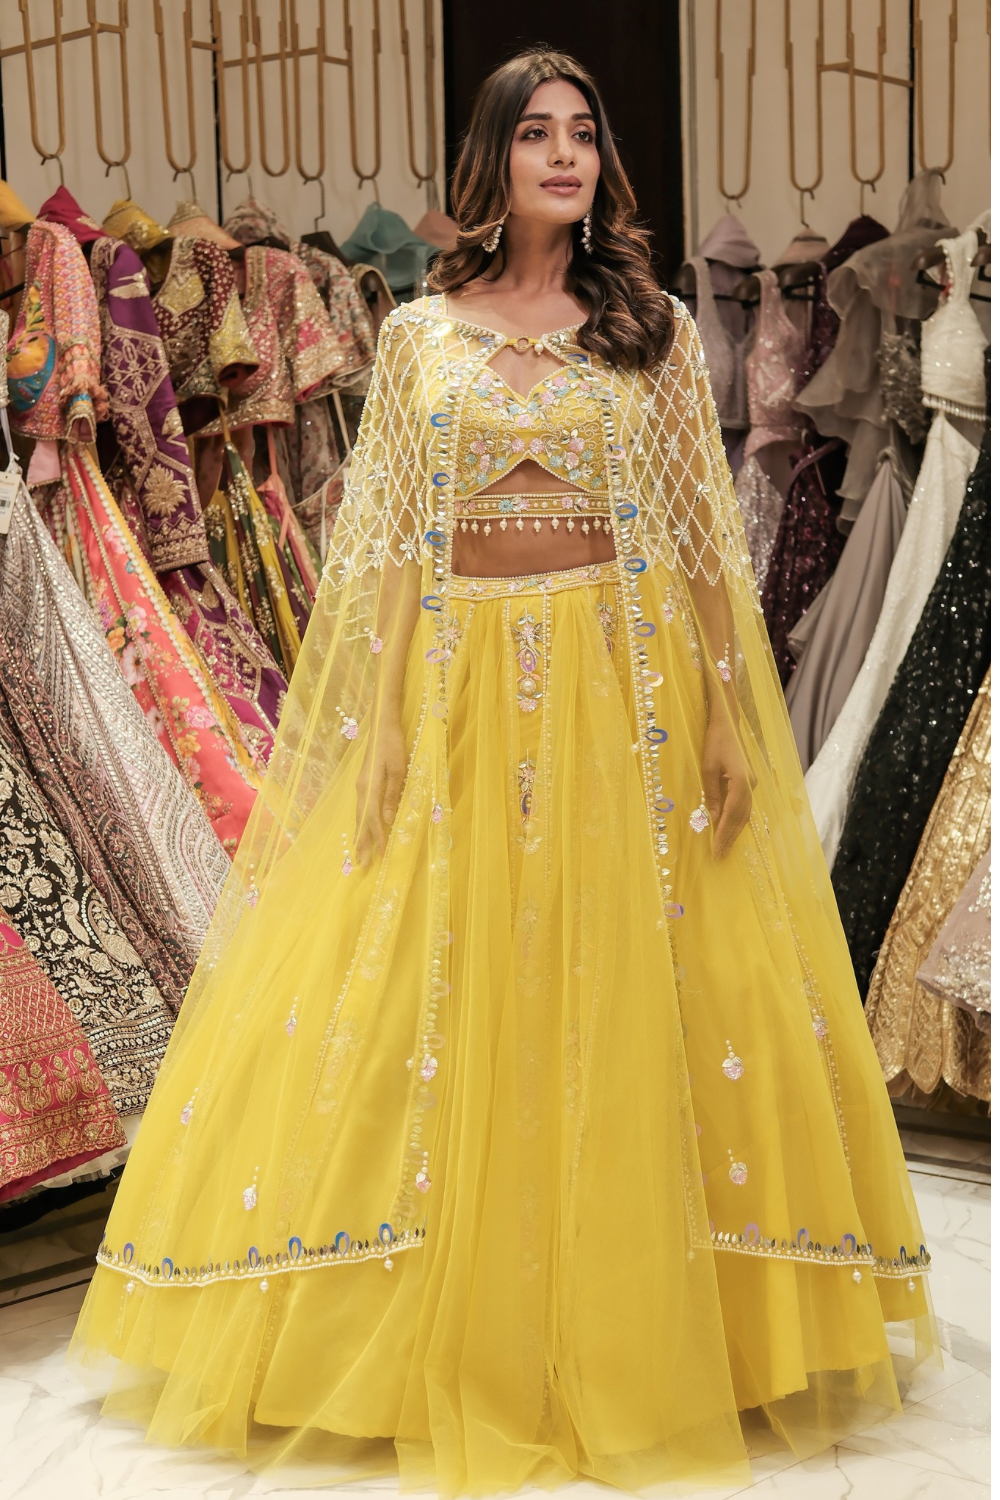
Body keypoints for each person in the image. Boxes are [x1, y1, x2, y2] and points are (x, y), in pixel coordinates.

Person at [70, 49, 936, 1495]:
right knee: (440, 974)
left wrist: (730, 717)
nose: (565, 154)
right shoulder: (420, 336)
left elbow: (702, 539)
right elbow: (390, 546)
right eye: (537, 133)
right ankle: (409, 1318)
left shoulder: (652, 327)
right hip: (464, 681)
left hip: (626, 675)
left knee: (632, 972)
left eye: (583, 133)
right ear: (493, 159)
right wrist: (385, 720)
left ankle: (659, 1318)